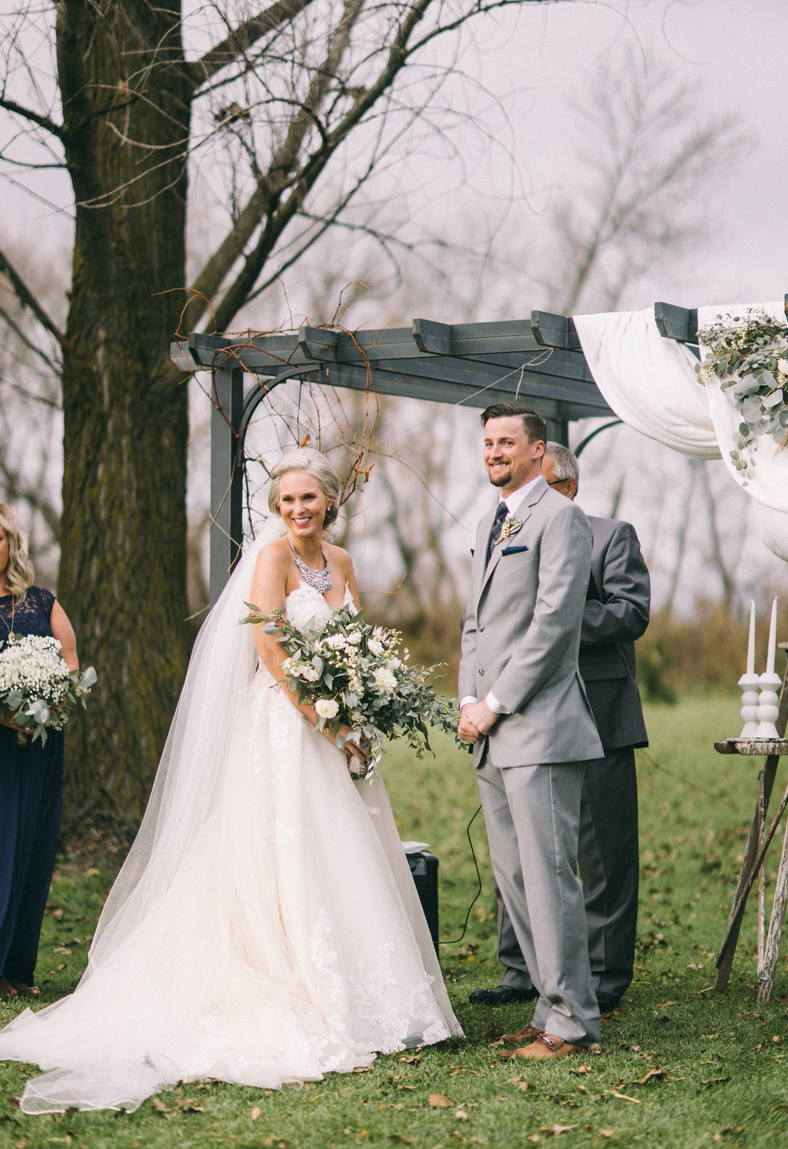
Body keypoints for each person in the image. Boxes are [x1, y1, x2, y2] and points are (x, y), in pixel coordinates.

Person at [0, 449, 461, 1113]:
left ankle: (367, 995)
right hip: (285, 724)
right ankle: (287, 977)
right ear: (277, 509)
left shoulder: (345, 564)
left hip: (337, 730)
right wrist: (321, 716)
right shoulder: (272, 560)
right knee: (284, 848)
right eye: (286, 501)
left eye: (308, 499)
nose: (297, 510)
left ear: (329, 503)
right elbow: (270, 648)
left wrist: (358, 712)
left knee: (342, 851)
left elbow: (354, 644)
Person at [471, 443, 649, 1015]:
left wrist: (557, 618)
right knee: (525, 853)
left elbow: (631, 612)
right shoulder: (503, 532)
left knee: (600, 856)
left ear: (566, 488)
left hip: (596, 708)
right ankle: (523, 970)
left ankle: (604, 976)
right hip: (518, 712)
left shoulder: (609, 534)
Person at [458, 403, 603, 1060]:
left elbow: (553, 626)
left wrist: (494, 701)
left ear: (538, 452)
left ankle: (573, 1022)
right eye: (489, 442)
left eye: (507, 442)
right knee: (517, 884)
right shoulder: (494, 520)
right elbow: (475, 625)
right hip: (489, 732)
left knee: (548, 879)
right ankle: (548, 1007)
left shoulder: (561, 519)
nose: (495, 452)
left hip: (539, 728)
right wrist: (466, 699)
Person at [0, 504, 78, 1001]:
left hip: (38, 747)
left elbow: (71, 665)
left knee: (29, 850)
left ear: (11, 544)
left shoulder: (41, 602)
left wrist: (45, 708)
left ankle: (15, 968)